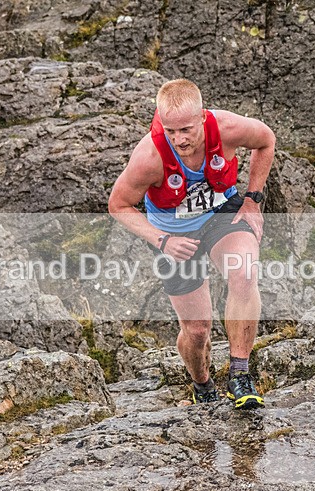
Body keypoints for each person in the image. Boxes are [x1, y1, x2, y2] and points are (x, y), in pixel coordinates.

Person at [108, 78, 275, 409]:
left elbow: (266, 140)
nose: (179, 139)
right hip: (174, 234)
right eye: (171, 131)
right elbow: (118, 205)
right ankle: (202, 384)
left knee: (244, 272)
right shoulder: (149, 156)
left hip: (221, 214)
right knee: (197, 330)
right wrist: (163, 241)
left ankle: (240, 375)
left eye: (186, 129)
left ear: (202, 117)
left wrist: (253, 199)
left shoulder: (227, 128)